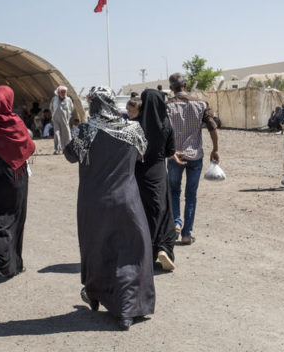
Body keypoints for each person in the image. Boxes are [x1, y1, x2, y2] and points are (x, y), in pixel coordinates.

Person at [63, 87, 153, 331]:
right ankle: (127, 310)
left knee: (96, 250)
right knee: (131, 252)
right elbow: (141, 156)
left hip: (93, 202)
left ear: (93, 104)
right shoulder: (133, 129)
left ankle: (95, 293)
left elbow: (70, 156)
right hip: (128, 200)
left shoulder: (85, 130)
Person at [0, 86, 36, 286]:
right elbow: (29, 146)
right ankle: (13, 265)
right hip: (15, 178)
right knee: (14, 218)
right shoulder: (16, 122)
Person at [166, 73, 220, 245]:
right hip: (195, 155)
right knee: (191, 195)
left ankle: (176, 222)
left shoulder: (167, 106)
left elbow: (163, 131)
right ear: (185, 85)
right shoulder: (201, 103)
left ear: (171, 87)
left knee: (174, 191)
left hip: (175, 155)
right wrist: (215, 149)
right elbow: (212, 126)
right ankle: (187, 234)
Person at [135, 89, 182, 271]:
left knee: (142, 212)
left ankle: (146, 252)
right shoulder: (165, 124)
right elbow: (170, 151)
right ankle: (164, 248)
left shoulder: (135, 125)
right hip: (158, 172)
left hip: (138, 173)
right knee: (163, 210)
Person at [50, 86, 74, 154]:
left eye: (64, 92)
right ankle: (57, 149)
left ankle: (67, 149)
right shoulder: (54, 99)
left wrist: (68, 117)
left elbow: (71, 108)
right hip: (56, 120)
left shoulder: (68, 100)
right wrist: (53, 116)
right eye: (62, 92)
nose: (63, 93)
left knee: (66, 135)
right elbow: (51, 107)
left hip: (65, 120)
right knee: (57, 134)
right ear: (59, 92)